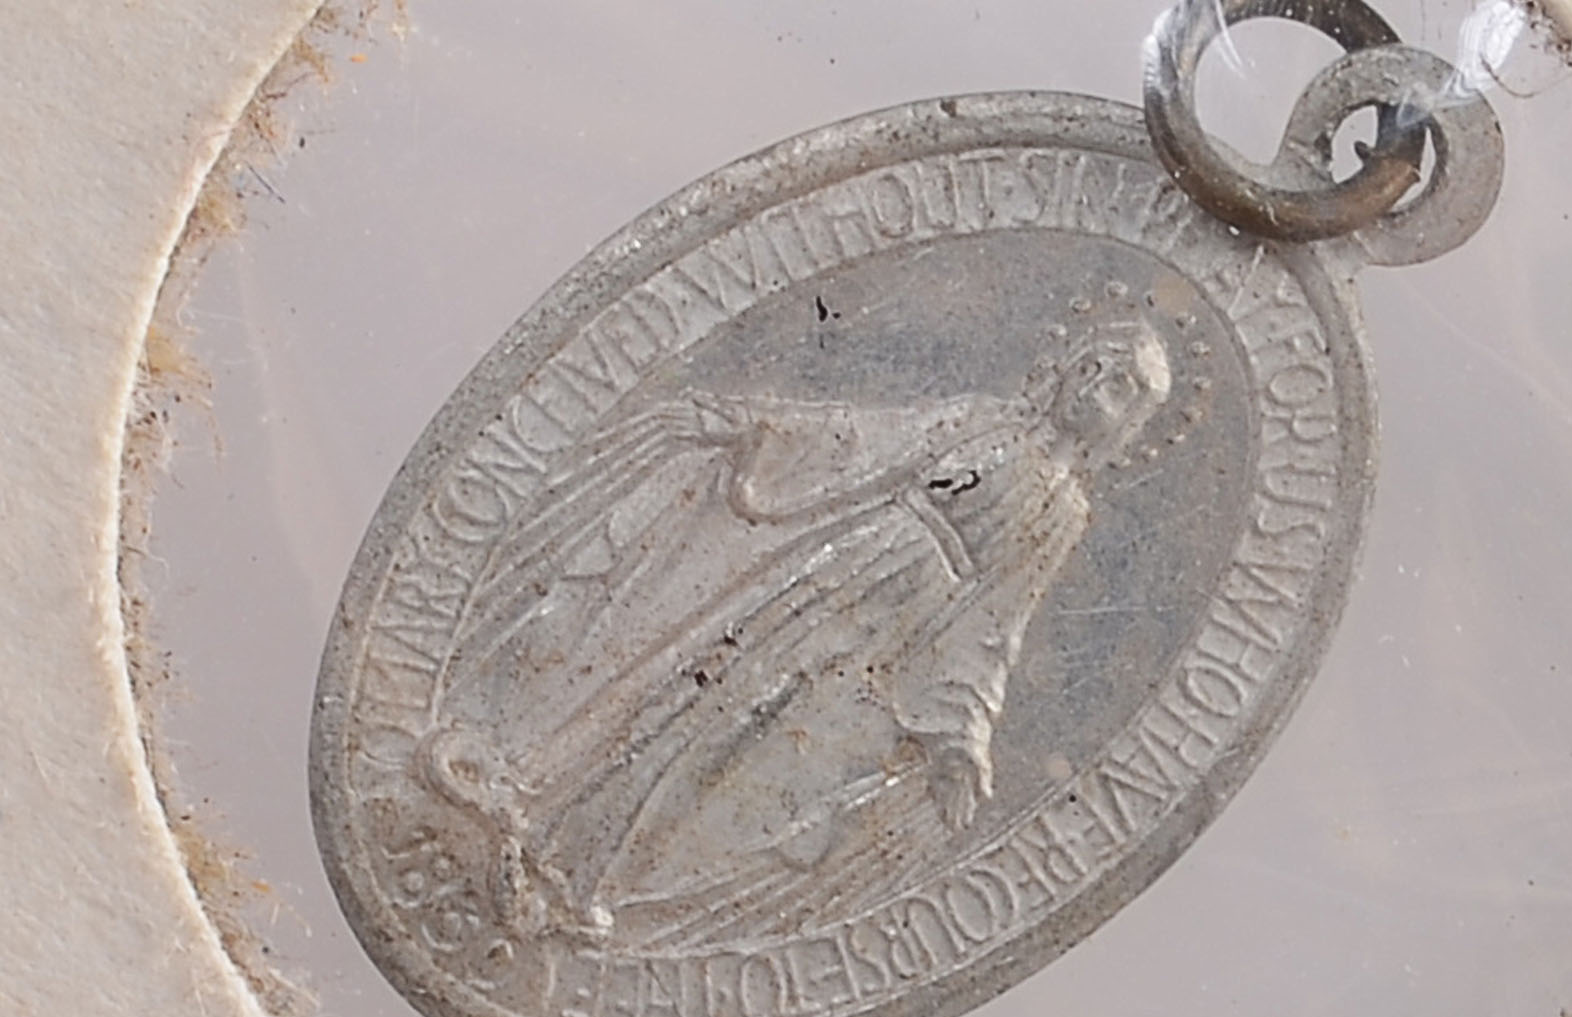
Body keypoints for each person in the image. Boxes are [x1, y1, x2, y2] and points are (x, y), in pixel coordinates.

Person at [416, 312, 1172, 944]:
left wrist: (964, 735)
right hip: (829, 569)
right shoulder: (985, 420)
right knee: (687, 681)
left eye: (1120, 389)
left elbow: (1000, 622)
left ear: (1129, 422)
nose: (1095, 389)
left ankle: (585, 870)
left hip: (884, 637)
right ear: (1070, 364)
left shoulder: (1064, 515)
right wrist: (755, 427)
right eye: (1096, 367)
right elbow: (866, 440)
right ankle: (537, 790)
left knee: (726, 746)